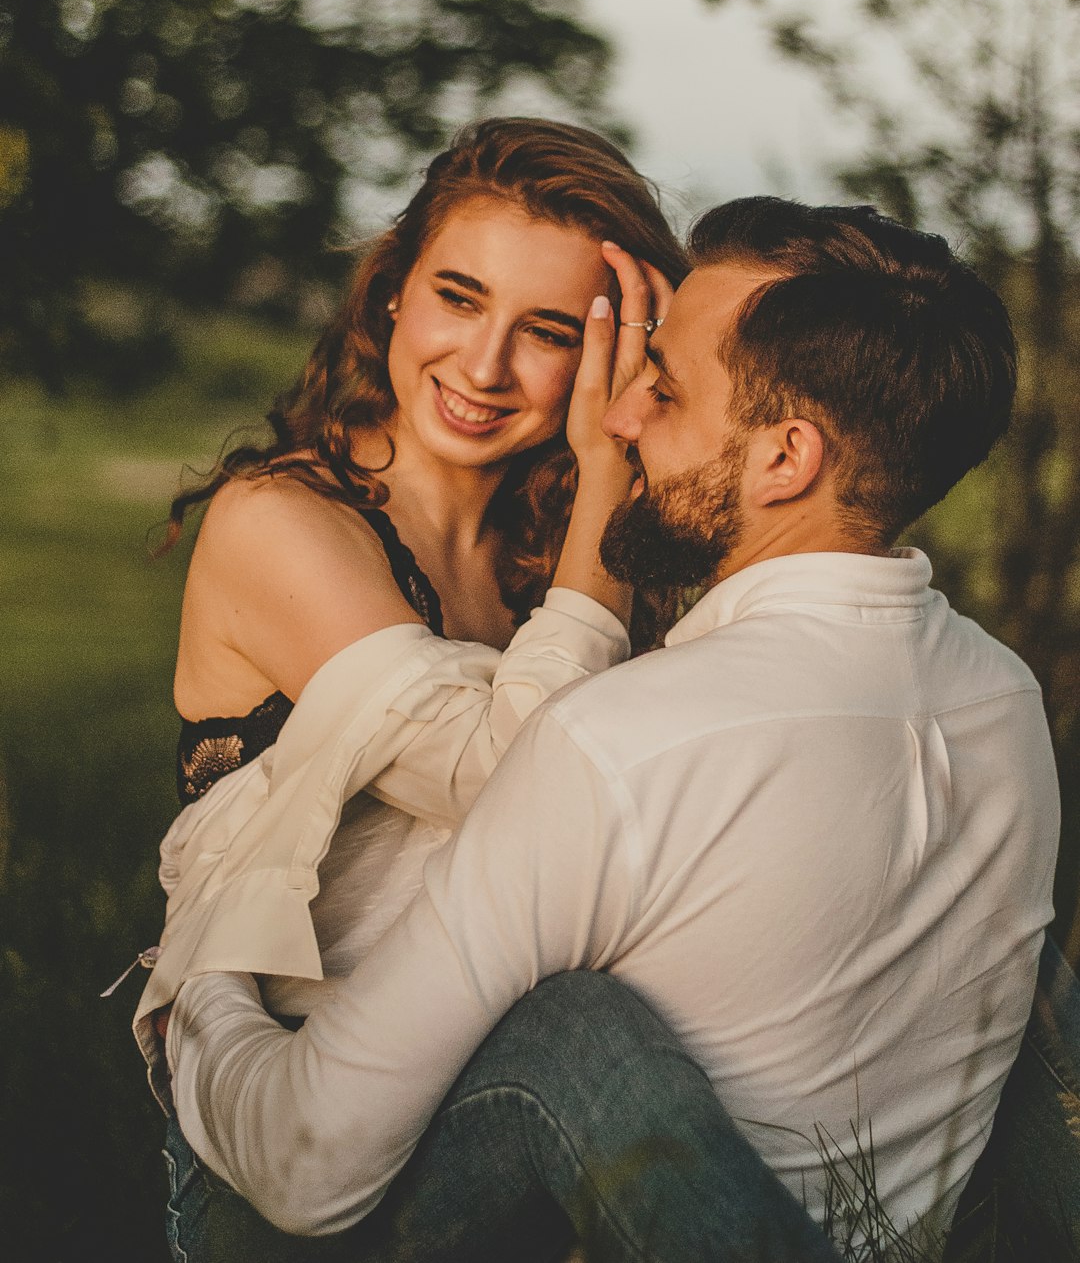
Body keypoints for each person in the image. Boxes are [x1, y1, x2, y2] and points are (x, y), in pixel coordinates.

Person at [162, 197, 1059, 1257]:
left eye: (660, 386)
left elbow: (309, 1162)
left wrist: (202, 987)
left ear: (785, 461)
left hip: (395, 1156)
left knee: (574, 1031)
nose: (621, 420)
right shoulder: (1007, 703)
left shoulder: (616, 734)